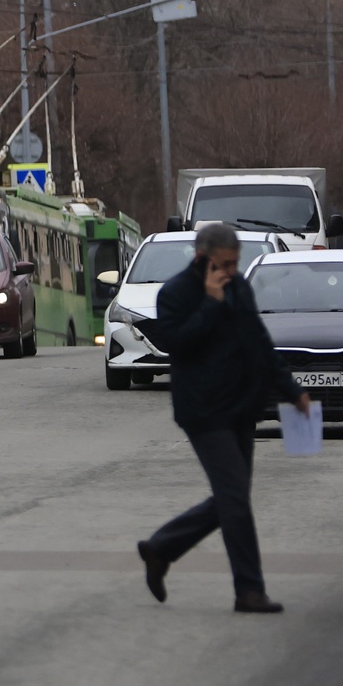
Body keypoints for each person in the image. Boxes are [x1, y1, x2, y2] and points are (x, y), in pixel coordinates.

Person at [137, 222, 307, 613]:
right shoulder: (175, 293)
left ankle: (161, 548)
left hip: (241, 409)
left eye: (235, 263)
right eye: (224, 264)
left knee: (232, 499)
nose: (231, 270)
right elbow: (177, 344)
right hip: (203, 412)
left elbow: (260, 342)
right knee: (233, 498)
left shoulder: (240, 287)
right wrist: (211, 304)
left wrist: (292, 389)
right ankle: (249, 590)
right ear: (202, 258)